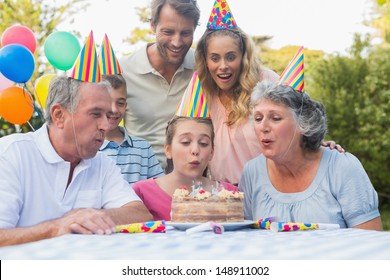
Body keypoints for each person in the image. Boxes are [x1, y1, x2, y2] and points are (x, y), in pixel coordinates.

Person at [195, 0, 343, 185]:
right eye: (215, 58)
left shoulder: (267, 81)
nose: (223, 66)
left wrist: (320, 146)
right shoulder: (201, 94)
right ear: (205, 60)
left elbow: (296, 123)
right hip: (226, 196)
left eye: (231, 57)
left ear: (243, 57)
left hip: (270, 189)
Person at [0, 76, 153, 246]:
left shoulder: (101, 163)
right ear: (59, 115)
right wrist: (58, 227)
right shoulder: (10, 154)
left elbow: (140, 215)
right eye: (96, 114)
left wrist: (93, 216)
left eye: (108, 115)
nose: (106, 126)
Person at [239, 81, 382, 230]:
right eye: (257, 118)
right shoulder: (252, 172)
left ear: (304, 123)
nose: (263, 127)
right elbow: (245, 238)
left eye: (275, 118)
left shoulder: (342, 167)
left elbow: (370, 240)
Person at [119, 0, 200, 168]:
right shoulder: (123, 70)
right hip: (139, 179)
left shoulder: (203, 66)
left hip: (189, 182)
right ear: (153, 25)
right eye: (168, 32)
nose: (176, 42)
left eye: (185, 33)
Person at [133, 116, 237, 221]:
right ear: (168, 150)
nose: (195, 150)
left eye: (203, 143)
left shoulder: (230, 193)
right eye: (186, 142)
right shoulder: (141, 192)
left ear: (212, 152)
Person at [99, 74, 164, 185]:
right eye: (108, 102)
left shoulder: (143, 148)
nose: (114, 109)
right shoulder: (87, 148)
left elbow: (159, 188)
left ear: (125, 105)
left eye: (120, 103)